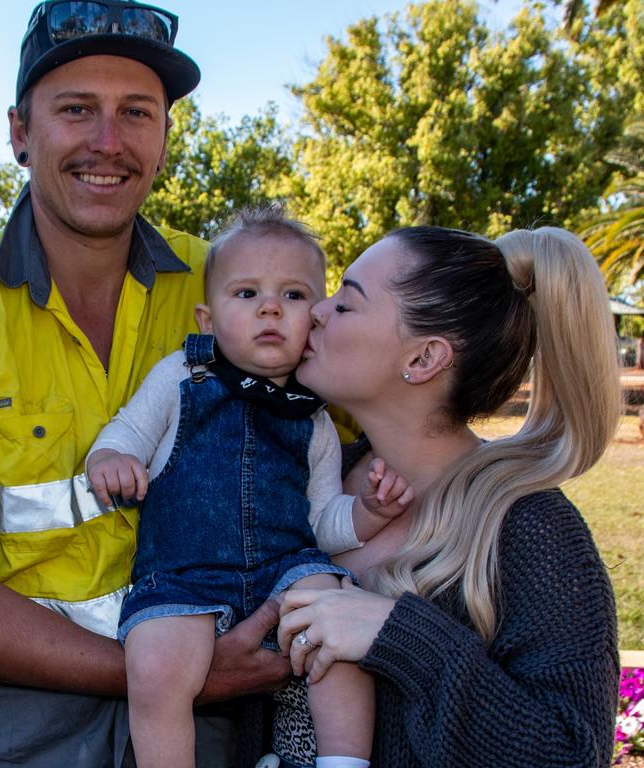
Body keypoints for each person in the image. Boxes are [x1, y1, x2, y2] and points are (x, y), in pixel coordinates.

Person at [0, 3, 293, 765]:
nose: (108, 142)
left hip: (205, 735)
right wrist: (171, 674)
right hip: (4, 739)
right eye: (76, 110)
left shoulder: (231, 282)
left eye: (136, 112)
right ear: (20, 133)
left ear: (163, 138)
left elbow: (364, 401)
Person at [273, 226, 622, 767]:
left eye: (347, 303)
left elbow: (571, 754)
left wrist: (398, 635)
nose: (317, 310)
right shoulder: (301, 478)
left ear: (424, 358)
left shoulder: (530, 530)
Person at [85, 208, 413, 768]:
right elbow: (128, 431)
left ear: (316, 318)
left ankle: (341, 761)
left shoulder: (312, 418)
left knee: (336, 619)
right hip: (184, 579)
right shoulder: (182, 378)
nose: (269, 308)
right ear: (207, 320)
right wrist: (111, 459)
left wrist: (368, 512)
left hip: (283, 572)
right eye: (246, 294)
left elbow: (323, 520)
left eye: (292, 295)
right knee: (156, 668)